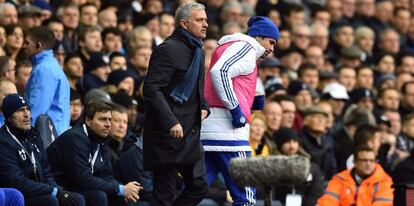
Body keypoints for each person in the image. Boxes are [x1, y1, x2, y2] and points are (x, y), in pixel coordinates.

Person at [201, 16, 279, 205]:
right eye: (271, 42)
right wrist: (236, 109)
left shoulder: (234, 46)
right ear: (259, 36)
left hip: (211, 132)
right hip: (230, 135)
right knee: (246, 198)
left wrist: (257, 96)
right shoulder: (246, 47)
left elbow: (236, 79)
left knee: (192, 191)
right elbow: (220, 72)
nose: (272, 49)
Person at [142, 2, 210, 205]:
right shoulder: (168, 49)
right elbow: (151, 89)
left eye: (205, 19)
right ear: (184, 24)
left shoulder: (198, 50)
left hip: (190, 134)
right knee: (164, 194)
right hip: (167, 135)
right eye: (199, 20)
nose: (205, 24)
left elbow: (198, 89)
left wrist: (204, 108)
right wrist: (171, 121)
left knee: (198, 187)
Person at [47, 101, 142, 206]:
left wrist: (125, 191)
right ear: (88, 120)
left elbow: (107, 176)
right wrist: (120, 189)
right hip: (61, 188)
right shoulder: (74, 138)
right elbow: (82, 179)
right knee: (99, 196)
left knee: (123, 199)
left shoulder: (101, 140)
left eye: (110, 120)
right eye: (102, 119)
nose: (108, 124)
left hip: (79, 187)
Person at [0, 94, 85, 206]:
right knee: (50, 201)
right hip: (20, 195)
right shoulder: (3, 142)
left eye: (28, 109)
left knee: (77, 199)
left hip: (41, 190)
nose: (26, 114)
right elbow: (16, 182)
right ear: (9, 118)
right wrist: (53, 191)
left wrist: (58, 191)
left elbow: (46, 172)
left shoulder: (34, 136)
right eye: (21, 110)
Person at [23, 26, 70, 135]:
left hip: (47, 137)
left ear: (38, 46)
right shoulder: (52, 65)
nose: (23, 46)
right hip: (56, 134)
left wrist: (28, 135)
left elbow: (37, 108)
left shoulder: (44, 69)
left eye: (27, 43)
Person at [318, 146, 393, 205]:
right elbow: (328, 201)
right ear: (355, 162)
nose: (368, 164)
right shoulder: (340, 179)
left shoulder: (385, 182)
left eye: (371, 160)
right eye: (364, 160)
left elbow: (383, 204)